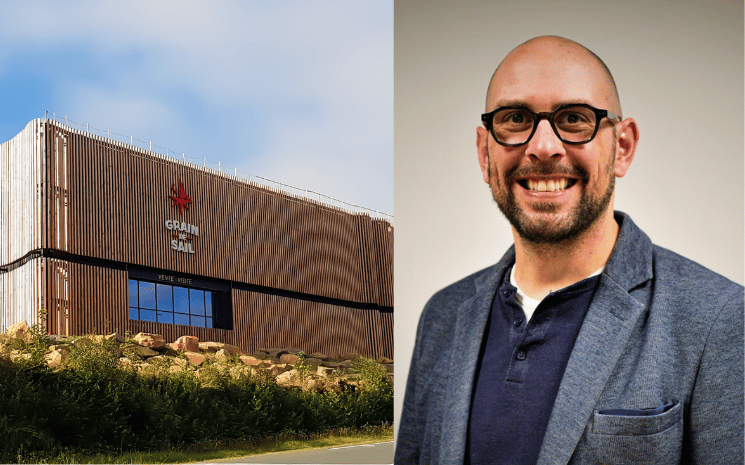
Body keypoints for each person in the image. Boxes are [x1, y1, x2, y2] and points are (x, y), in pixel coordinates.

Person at [395, 36, 744, 465]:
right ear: (485, 153)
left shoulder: (718, 319)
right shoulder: (442, 316)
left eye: (575, 118)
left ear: (623, 147)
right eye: (516, 118)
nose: (543, 146)